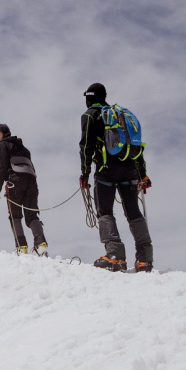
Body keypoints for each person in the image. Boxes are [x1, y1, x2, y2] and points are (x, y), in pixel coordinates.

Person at [78, 82, 152, 272]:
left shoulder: (90, 115)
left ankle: (115, 256)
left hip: (106, 171)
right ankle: (145, 259)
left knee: (105, 212)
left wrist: (84, 173)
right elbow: (137, 147)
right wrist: (142, 174)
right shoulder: (119, 115)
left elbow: (86, 146)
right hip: (130, 170)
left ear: (89, 98)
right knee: (133, 212)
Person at [0, 123, 48, 256]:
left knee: (15, 216)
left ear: (4, 132)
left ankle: (22, 247)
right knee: (32, 215)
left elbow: (2, 168)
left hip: (14, 183)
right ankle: (41, 244)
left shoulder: (3, 145)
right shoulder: (25, 149)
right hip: (32, 183)